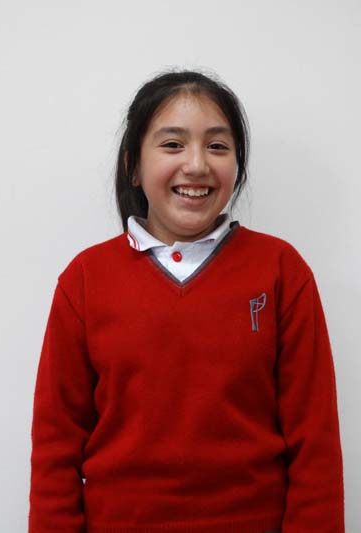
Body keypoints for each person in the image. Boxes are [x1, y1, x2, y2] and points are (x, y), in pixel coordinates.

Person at [29, 69, 345, 533]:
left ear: (237, 164)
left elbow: (315, 442)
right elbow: (55, 445)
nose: (197, 165)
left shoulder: (282, 271)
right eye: (173, 144)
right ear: (133, 166)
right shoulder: (84, 279)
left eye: (217, 146)